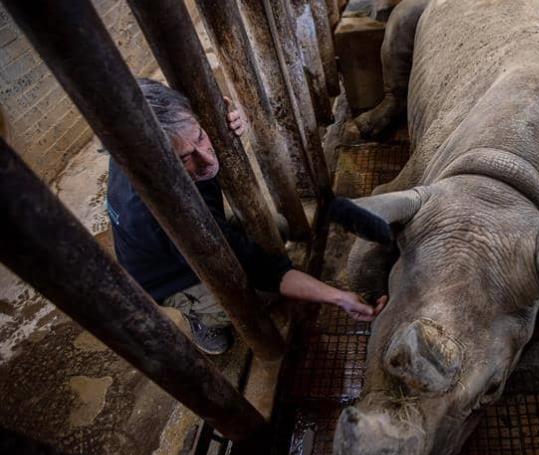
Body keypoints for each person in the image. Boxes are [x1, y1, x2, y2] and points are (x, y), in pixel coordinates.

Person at [106, 78, 386, 355]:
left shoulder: (142, 133)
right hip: (172, 275)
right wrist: (339, 298)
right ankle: (202, 318)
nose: (207, 160)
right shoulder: (167, 215)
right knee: (257, 298)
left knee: (276, 227)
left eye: (201, 137)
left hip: (194, 229)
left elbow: (207, 108)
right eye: (184, 158)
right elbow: (268, 273)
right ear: (152, 163)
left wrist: (224, 117)